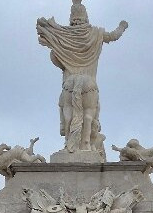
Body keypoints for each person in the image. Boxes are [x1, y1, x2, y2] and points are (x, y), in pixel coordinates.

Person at [36, 0, 128, 155]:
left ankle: (68, 141)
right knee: (90, 113)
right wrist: (122, 26)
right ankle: (86, 143)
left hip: (69, 83)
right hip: (89, 84)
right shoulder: (95, 33)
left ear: (71, 17)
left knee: (66, 109)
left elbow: (54, 57)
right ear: (86, 16)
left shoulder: (64, 36)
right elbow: (113, 36)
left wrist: (64, 58)